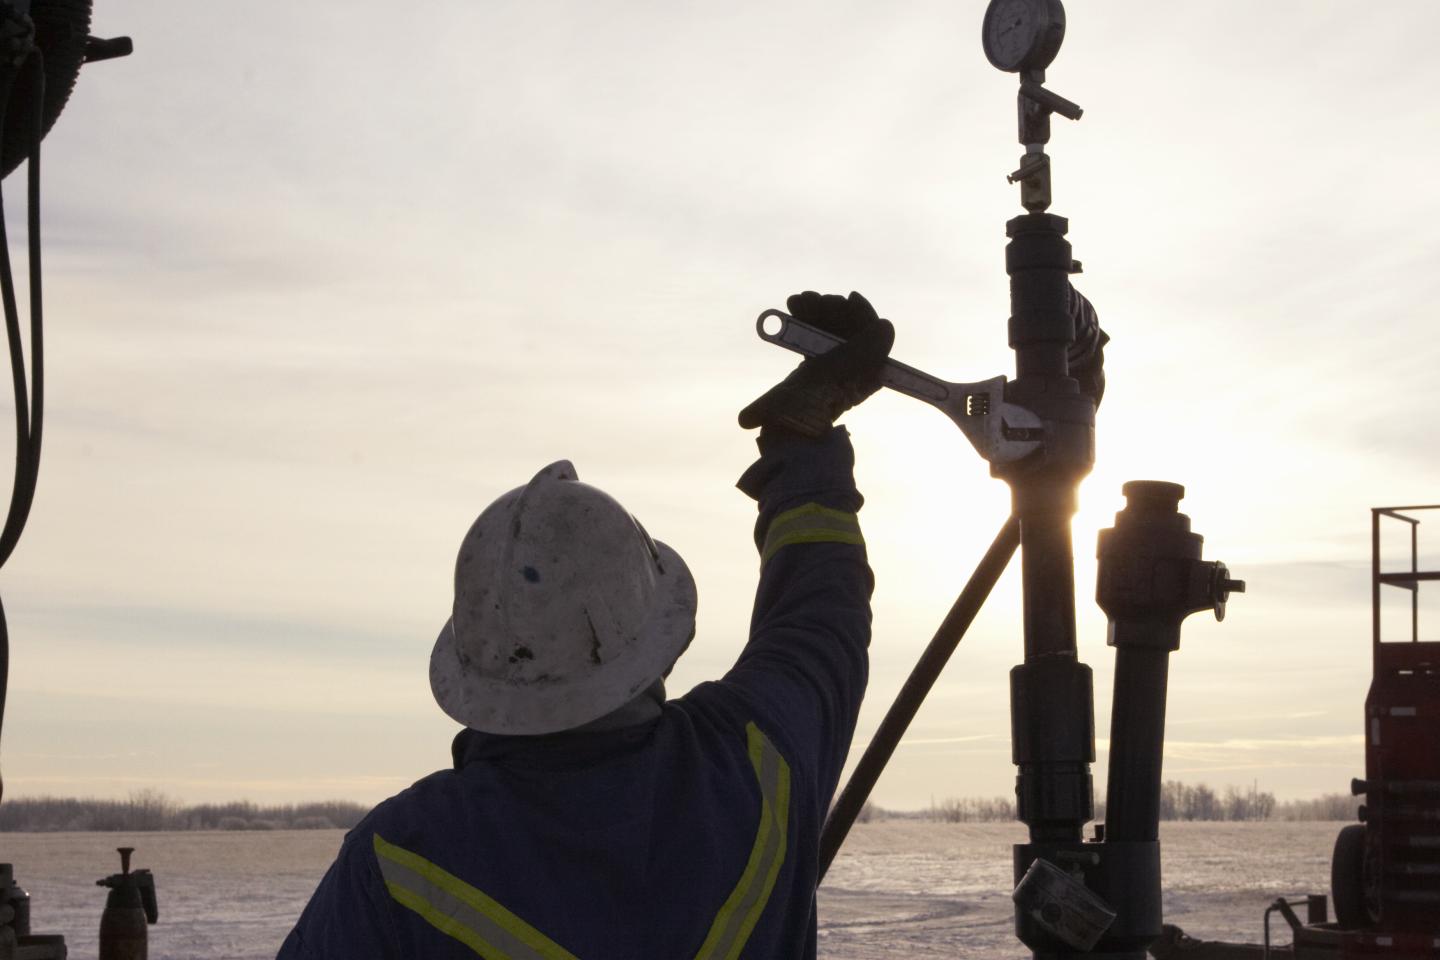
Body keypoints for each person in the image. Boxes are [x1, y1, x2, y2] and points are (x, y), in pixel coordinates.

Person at [277, 288, 1103, 959]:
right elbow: (819, 608)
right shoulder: (754, 764)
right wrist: (799, 440)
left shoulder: (398, 862)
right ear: (649, 644)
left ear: (474, 670)